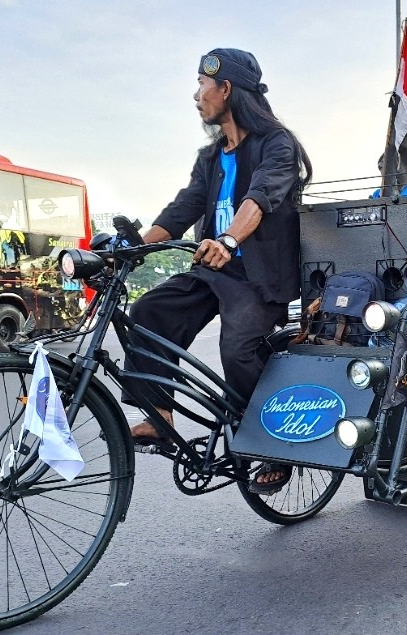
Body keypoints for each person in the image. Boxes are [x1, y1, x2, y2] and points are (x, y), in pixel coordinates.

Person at [126, 48, 312, 494]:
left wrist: (229, 239)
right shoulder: (211, 158)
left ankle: (271, 445)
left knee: (240, 350)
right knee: (150, 312)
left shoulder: (276, 144)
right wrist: (129, 248)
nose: (196, 95)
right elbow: (182, 209)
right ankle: (160, 414)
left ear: (225, 88)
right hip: (213, 267)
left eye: (201, 85)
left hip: (259, 274)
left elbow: (262, 197)